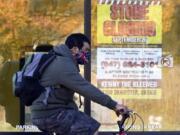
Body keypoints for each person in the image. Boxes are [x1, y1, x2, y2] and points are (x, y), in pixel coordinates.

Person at [31, 33, 129, 135]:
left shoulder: (61, 59)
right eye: (86, 50)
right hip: (50, 114)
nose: (87, 54)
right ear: (74, 49)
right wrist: (114, 105)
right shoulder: (63, 65)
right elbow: (86, 89)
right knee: (90, 128)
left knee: (80, 121)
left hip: (50, 111)